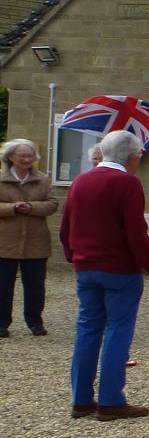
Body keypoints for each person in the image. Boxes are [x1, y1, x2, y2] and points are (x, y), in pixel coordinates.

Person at [59, 130, 149, 420]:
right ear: (132, 157)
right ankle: (109, 400)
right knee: (118, 330)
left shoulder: (81, 180)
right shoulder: (127, 183)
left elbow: (66, 225)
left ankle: (81, 399)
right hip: (119, 269)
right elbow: (135, 231)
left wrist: (74, 256)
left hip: (86, 267)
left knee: (87, 330)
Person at [0, 138, 59, 337]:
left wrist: (32, 207)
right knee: (3, 285)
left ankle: (35, 322)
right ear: (10, 157)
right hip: (4, 242)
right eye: (23, 155)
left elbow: (52, 204)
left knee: (35, 286)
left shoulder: (42, 179)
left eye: (30, 155)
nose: (27, 159)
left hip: (36, 242)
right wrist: (12, 208)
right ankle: (1, 323)